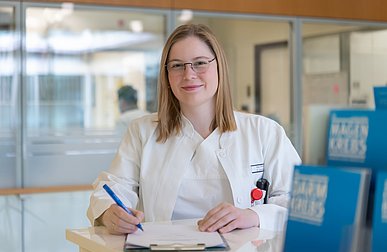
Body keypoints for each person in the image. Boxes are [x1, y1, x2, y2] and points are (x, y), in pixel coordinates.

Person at [87, 24, 301, 235]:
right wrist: (109, 213)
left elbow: (298, 200)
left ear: (220, 68)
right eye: (177, 66)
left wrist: (253, 216)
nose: (189, 74)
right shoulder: (142, 131)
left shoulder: (264, 132)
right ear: (167, 76)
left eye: (200, 63)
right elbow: (112, 187)